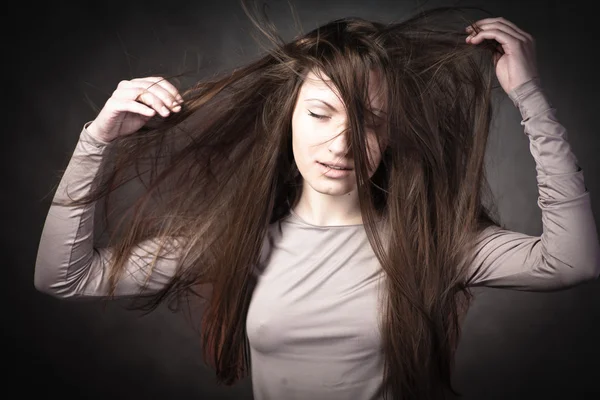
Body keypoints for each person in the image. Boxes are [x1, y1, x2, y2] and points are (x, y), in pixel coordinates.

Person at [33, 3, 599, 400]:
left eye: (371, 122)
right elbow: (65, 277)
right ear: (289, 118)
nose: (343, 144)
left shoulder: (432, 244)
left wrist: (528, 97)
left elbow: (572, 260)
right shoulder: (242, 243)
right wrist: (96, 140)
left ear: (392, 134)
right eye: (320, 114)